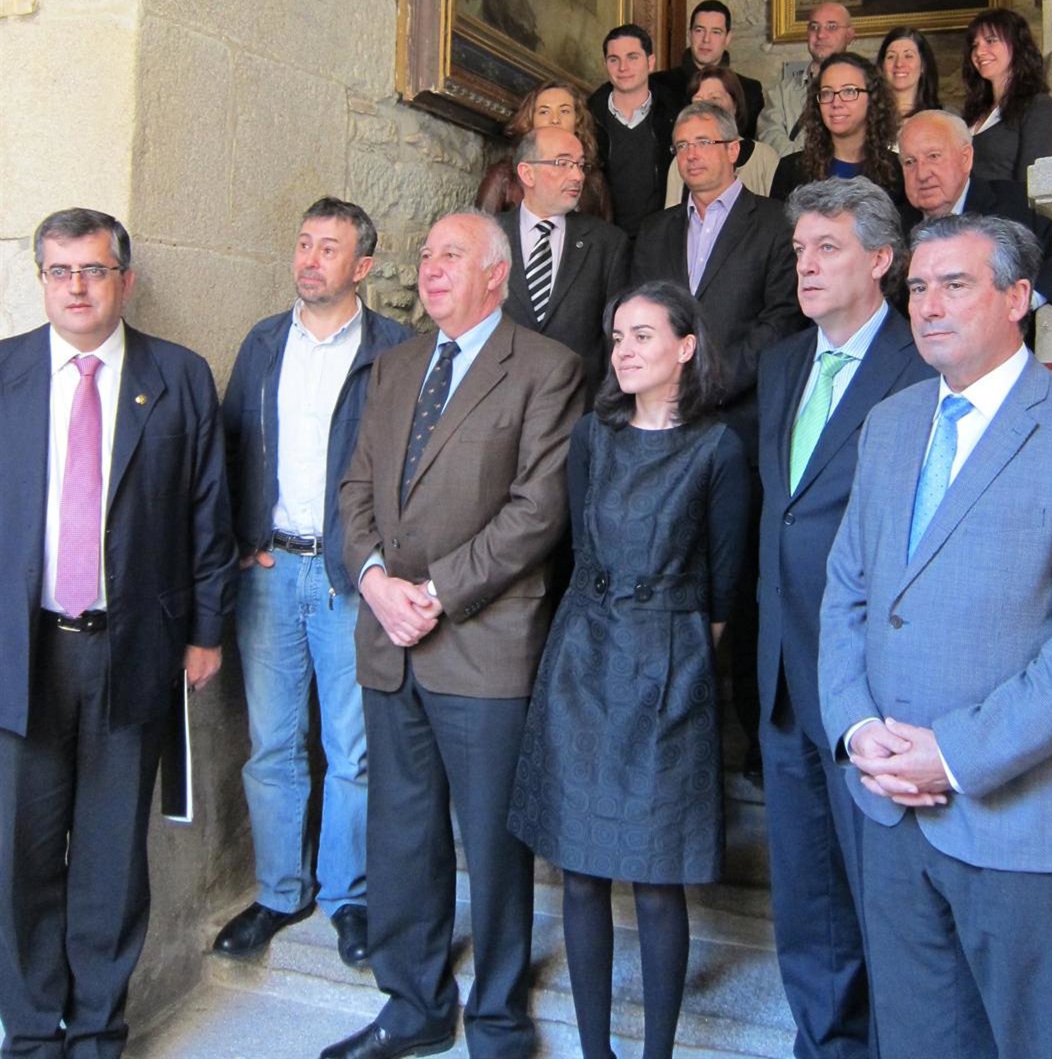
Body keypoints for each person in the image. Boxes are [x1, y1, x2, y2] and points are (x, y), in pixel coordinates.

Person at [819, 214, 1052, 1059]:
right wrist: (857, 728)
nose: (929, 305)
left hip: (1022, 822)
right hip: (890, 813)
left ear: (1017, 297)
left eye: (955, 284)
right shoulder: (890, 423)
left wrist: (955, 754)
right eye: (918, 287)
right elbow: (847, 591)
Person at [322, 211, 585, 1059]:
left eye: (452, 256)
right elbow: (355, 487)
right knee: (402, 836)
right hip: (389, 639)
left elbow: (538, 510)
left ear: (497, 275)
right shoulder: (395, 366)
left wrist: (432, 594)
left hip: (482, 641)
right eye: (427, 254)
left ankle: (499, 1016)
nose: (431, 268)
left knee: (494, 845)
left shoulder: (546, 368)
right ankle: (414, 1004)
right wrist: (374, 582)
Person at [0, 207, 236, 1057]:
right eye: (60, 271)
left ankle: (97, 1030)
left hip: (131, 650)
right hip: (22, 653)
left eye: (94, 270)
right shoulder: (5, 371)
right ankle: (32, 1032)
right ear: (41, 279)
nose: (77, 287)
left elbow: (209, 514)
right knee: (19, 858)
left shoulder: (178, 376)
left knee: (110, 857)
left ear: (124, 281)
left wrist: (206, 631)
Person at [508, 281, 751, 1059]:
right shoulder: (593, 435)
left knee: (656, 875)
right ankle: (596, 1051)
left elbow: (724, 588)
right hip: (583, 660)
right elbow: (580, 550)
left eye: (643, 335)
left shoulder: (717, 449)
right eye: (618, 337)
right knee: (580, 871)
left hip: (669, 667)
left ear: (686, 347)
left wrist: (671, 652)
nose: (624, 350)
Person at [757, 179, 935, 1059]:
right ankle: (822, 1044)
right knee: (807, 892)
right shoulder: (782, 364)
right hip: (785, 674)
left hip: (875, 684)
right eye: (800, 250)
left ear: (880, 259)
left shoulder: (923, 366)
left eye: (827, 248)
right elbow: (780, 515)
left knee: (885, 896)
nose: (807, 265)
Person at [212, 198, 411, 969]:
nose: (309, 258)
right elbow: (230, 445)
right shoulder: (264, 342)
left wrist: (382, 558)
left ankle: (347, 897)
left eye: (328, 248)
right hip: (270, 571)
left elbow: (411, 465)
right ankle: (278, 891)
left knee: (351, 751)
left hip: (349, 575)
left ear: (362, 267)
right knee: (271, 745)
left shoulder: (395, 350)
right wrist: (239, 540)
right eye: (303, 243)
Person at [633, 102, 803, 453]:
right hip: (663, 417)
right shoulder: (654, 230)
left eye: (703, 142)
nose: (691, 155)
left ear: (733, 150)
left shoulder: (777, 223)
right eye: (682, 146)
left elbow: (782, 319)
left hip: (742, 418)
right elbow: (638, 314)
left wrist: (713, 383)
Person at [497, 125, 630, 403]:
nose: (578, 176)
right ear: (527, 173)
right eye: (563, 163)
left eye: (580, 165)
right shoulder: (489, 236)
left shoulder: (607, 243)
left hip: (578, 406)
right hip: (498, 403)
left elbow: (615, 338)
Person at [897, 110, 1052, 310]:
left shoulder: (1022, 206)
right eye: (910, 162)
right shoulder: (892, 225)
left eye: (933, 156)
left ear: (966, 158)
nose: (922, 174)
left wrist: (1023, 301)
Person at [587, 24, 680, 239]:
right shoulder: (588, 119)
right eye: (614, 59)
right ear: (605, 64)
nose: (623, 67)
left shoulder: (674, 116)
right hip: (603, 240)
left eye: (632, 57)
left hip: (661, 238)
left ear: (651, 62)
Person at [771, 53, 901, 204]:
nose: (836, 103)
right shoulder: (790, 170)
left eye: (849, 91)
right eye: (827, 93)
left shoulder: (898, 172)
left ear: (873, 99)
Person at [476, 80, 611, 222]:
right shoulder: (504, 176)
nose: (555, 120)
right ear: (530, 120)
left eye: (564, 111)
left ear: (577, 121)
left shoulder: (594, 182)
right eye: (544, 112)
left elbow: (606, 234)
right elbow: (480, 230)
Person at [961, 7, 1052, 186]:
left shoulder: (1038, 107)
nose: (979, 52)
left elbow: (1029, 184)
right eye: (975, 45)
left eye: (990, 41)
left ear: (1016, 45)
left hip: (1005, 204)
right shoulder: (974, 111)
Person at [664, 65, 780, 204]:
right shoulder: (683, 159)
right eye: (698, 102)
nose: (705, 109)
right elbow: (672, 213)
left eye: (714, 99)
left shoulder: (764, 157)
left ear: (735, 105)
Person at [759, 1, 856, 156]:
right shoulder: (781, 94)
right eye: (814, 27)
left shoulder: (866, 89)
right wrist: (810, 163)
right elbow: (769, 139)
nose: (821, 35)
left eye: (831, 27)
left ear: (849, 35)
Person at [658, 0, 766, 137]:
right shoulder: (659, 85)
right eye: (699, 30)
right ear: (690, 34)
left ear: (727, 38)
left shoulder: (749, 90)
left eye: (716, 32)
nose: (706, 39)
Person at [875, 24, 941, 122]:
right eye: (891, 56)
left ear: (923, 65)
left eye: (908, 56)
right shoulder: (868, 118)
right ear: (882, 66)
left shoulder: (942, 118)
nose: (899, 64)